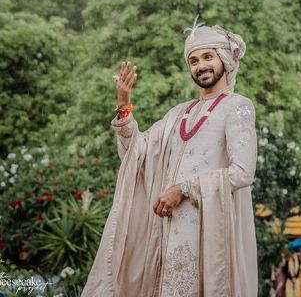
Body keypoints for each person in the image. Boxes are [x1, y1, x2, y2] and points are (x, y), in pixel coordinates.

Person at [81, 23, 258, 297]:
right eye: (194, 60)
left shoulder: (238, 107)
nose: (201, 66)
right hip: (166, 233)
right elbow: (137, 153)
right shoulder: (178, 113)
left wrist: (183, 189)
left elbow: (242, 173)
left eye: (208, 57)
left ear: (224, 59)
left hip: (209, 237)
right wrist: (124, 105)